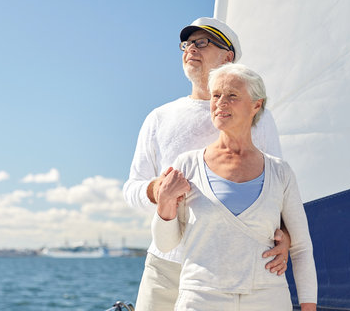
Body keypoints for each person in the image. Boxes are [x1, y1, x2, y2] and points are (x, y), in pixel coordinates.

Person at [123, 17, 290, 311]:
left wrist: (285, 237)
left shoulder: (258, 117)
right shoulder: (159, 118)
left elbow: (278, 187)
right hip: (166, 266)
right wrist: (156, 190)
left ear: (228, 57)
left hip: (230, 267)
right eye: (186, 45)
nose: (190, 50)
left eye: (201, 43)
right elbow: (132, 189)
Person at [152, 63, 317, 310]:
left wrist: (309, 307)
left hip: (268, 298)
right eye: (216, 95)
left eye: (232, 96)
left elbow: (301, 248)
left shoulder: (280, 172)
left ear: (256, 105)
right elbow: (166, 244)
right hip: (200, 299)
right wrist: (165, 201)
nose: (220, 103)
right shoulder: (186, 166)